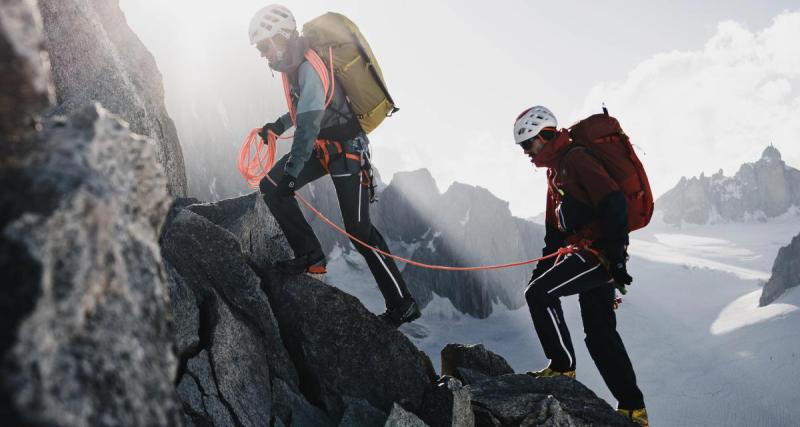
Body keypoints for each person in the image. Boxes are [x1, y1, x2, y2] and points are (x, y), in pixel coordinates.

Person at [248, 5, 420, 327]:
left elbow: (310, 122)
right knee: (271, 187)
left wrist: (293, 172)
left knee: (359, 232)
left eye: (263, 45)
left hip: (346, 150)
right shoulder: (295, 64)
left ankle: (403, 303)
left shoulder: (309, 66)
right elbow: (309, 109)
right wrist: (278, 124)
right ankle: (311, 257)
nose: (262, 54)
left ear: (281, 36)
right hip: (324, 146)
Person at [514, 106, 648, 426]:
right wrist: (542, 270)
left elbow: (613, 201)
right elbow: (554, 232)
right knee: (600, 334)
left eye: (528, 144)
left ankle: (562, 366)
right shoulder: (555, 170)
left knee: (539, 296)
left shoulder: (575, 160)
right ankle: (634, 409)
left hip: (598, 255)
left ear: (545, 136)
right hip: (594, 253)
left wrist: (616, 258)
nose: (526, 152)